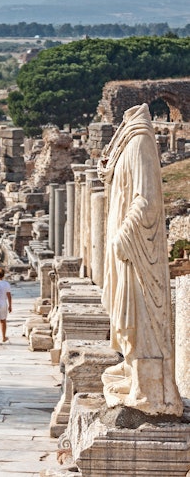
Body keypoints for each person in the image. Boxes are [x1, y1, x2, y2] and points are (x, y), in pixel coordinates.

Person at [97, 103, 183, 416]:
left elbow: (147, 201)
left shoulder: (141, 141)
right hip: (126, 249)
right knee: (130, 316)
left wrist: (123, 238)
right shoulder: (127, 142)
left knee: (144, 317)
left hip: (137, 248)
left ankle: (151, 389)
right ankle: (135, 375)